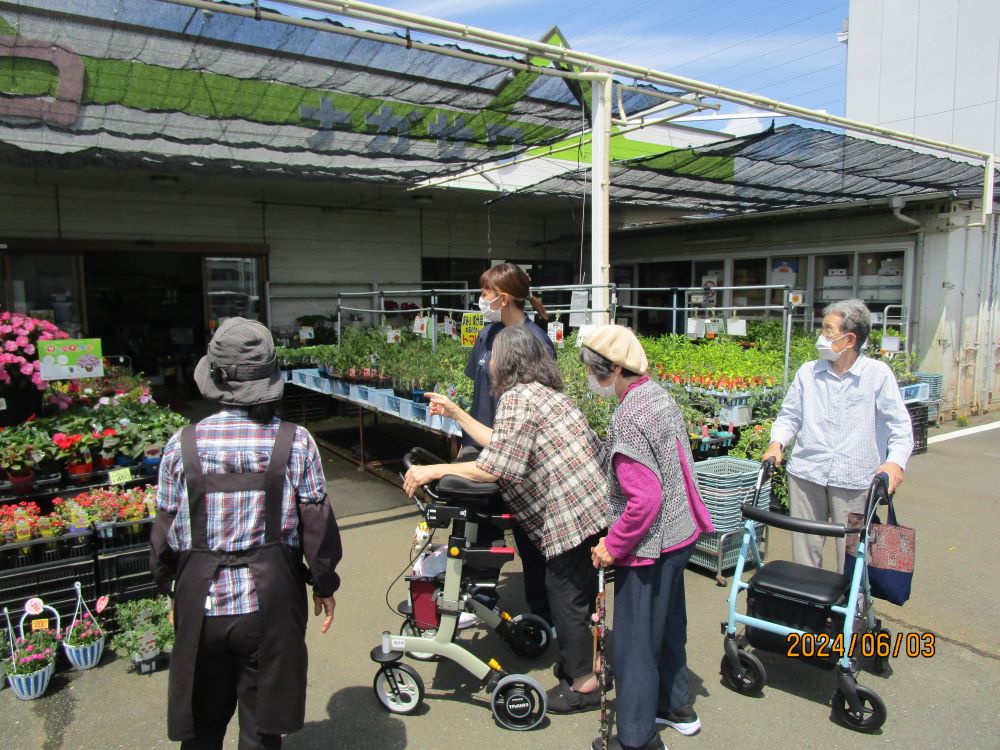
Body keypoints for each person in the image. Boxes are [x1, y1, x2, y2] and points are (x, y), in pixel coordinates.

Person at [150, 317, 343, 750]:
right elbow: (317, 524)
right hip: (270, 599)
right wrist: (324, 583)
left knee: (202, 725)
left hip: (201, 599)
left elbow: (165, 535)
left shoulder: (181, 445)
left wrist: (171, 589)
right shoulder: (296, 441)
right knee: (261, 726)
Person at [403, 325, 607, 714]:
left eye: (493, 355)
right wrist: (457, 411)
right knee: (576, 592)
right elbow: (499, 441)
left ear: (507, 361)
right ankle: (591, 663)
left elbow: (496, 467)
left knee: (565, 595)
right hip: (590, 503)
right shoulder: (542, 394)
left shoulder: (516, 398)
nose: (489, 362)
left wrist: (433, 471)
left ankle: (584, 685)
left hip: (569, 511)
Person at [583, 325, 713, 750]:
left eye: (597, 373)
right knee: (669, 625)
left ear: (616, 369)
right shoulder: (657, 394)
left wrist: (612, 545)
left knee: (635, 645)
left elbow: (644, 500)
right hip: (681, 531)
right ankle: (676, 706)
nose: (594, 381)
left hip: (651, 544)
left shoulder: (628, 417)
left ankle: (636, 738)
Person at [762, 298, 913, 573]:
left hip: (855, 478)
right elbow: (789, 416)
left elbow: (900, 427)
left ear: (849, 339)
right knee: (805, 551)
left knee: (852, 555)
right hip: (807, 473)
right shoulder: (808, 372)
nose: (822, 336)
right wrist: (776, 443)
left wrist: (895, 462)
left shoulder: (877, 375)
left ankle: (850, 612)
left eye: (828, 330)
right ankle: (808, 608)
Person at [461, 262, 555, 625]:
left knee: (530, 537)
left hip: (522, 456)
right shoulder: (487, 335)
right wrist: (468, 443)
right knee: (481, 529)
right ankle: (482, 599)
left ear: (502, 298)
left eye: (485, 293)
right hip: (483, 448)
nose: (480, 299)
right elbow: (478, 392)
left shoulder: (536, 341)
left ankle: (543, 613)